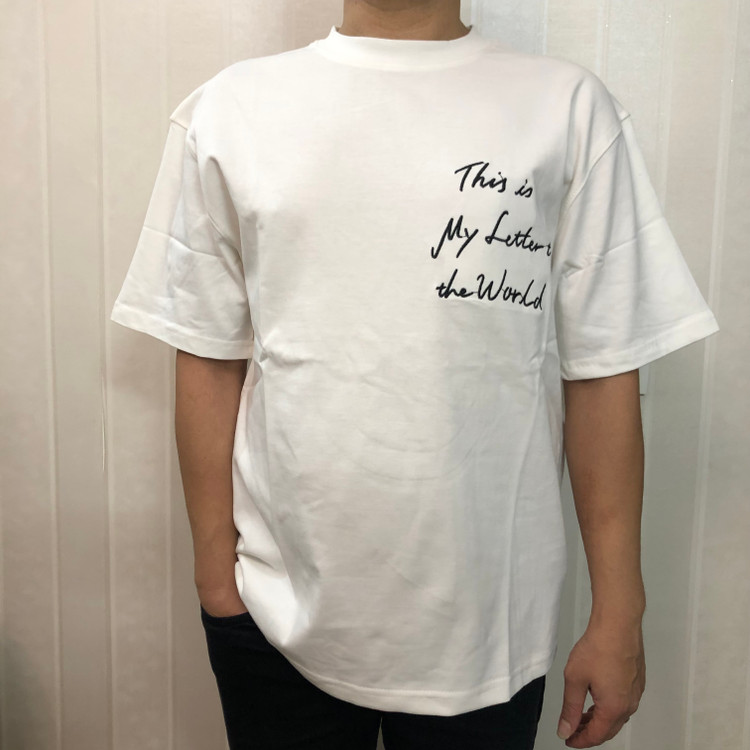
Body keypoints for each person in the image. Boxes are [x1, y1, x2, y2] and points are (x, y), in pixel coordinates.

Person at [109, 0, 720, 747]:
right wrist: (217, 583)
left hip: (489, 628)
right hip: (274, 612)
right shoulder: (231, 109)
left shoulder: (568, 109)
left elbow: (602, 368)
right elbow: (209, 354)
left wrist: (619, 610)